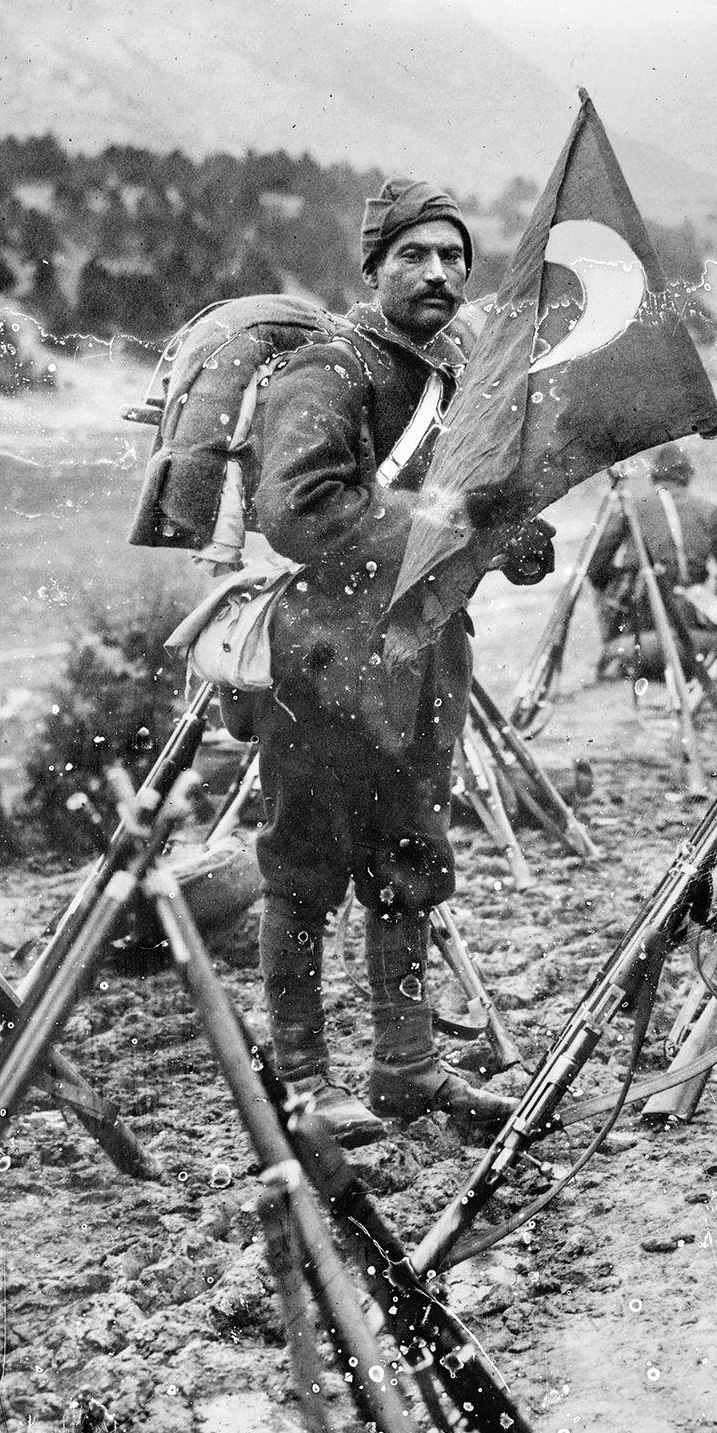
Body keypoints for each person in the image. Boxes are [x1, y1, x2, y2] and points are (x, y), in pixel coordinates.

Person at [247, 177, 553, 1137]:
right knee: (305, 866)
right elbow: (296, 509)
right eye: (414, 256)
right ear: (372, 268)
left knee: (412, 860)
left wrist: (515, 531)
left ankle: (408, 1067)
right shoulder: (327, 369)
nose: (438, 273)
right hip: (324, 658)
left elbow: (479, 511)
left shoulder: (460, 375)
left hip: (423, 657)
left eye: (454, 257)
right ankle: (299, 1082)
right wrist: (444, 518)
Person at [587, 444, 717, 679]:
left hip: (638, 626)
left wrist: (623, 584)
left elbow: (594, 567)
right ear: (688, 477)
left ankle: (618, 646)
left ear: (654, 477)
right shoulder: (710, 511)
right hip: (693, 627)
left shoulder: (631, 507)